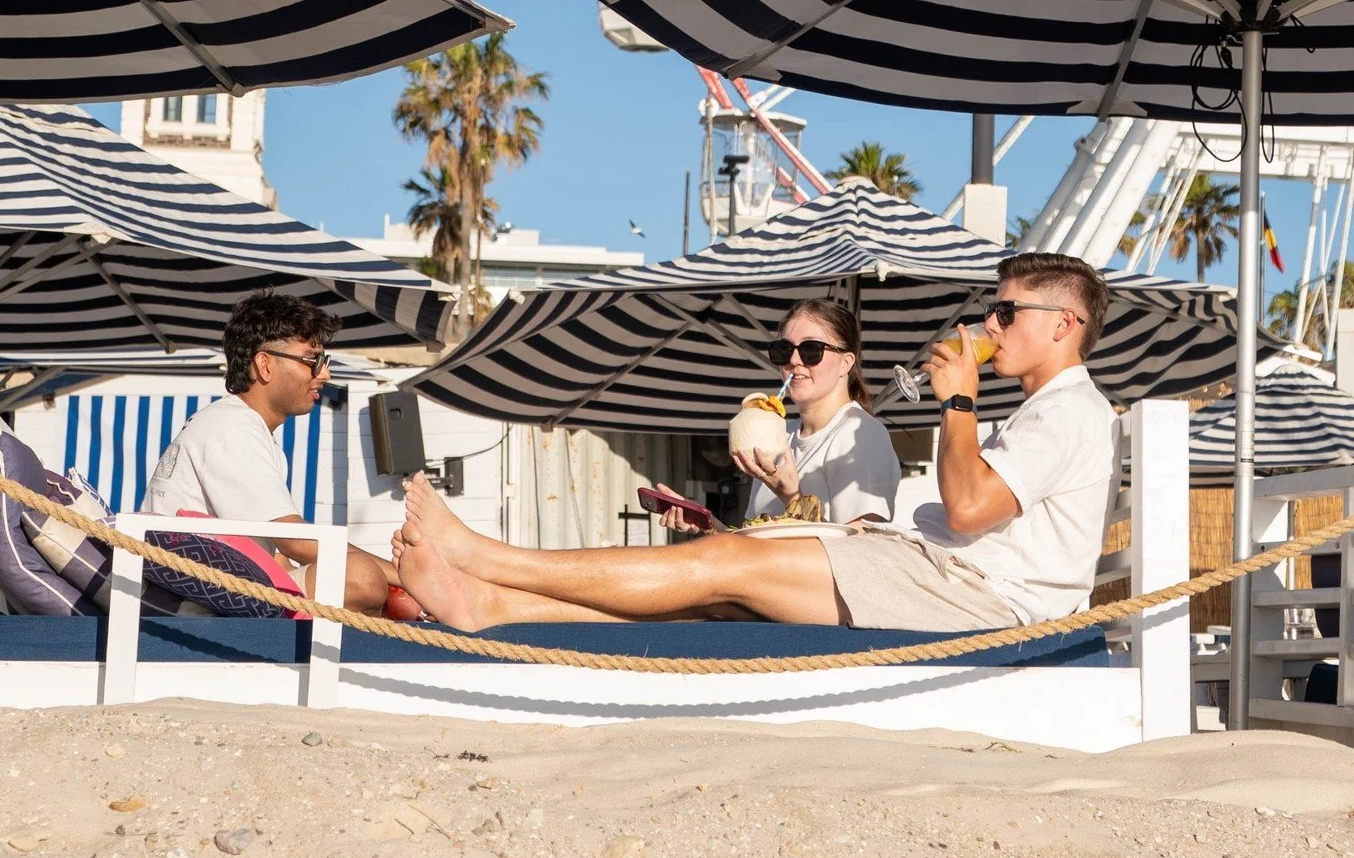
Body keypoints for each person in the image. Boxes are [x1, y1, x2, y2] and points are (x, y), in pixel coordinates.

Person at [393, 252, 1119, 635]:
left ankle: (486, 557)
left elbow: (966, 508)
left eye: (1004, 310)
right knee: (721, 592)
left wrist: (958, 397)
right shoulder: (1035, 414)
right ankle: (493, 604)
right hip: (942, 574)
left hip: (982, 603)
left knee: (722, 562)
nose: (988, 326)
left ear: (1063, 323)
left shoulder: (1067, 410)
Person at [142, 290, 403, 613]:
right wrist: (407, 577)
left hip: (211, 595)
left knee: (375, 588)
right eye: (313, 360)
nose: (325, 373)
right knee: (361, 578)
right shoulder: (231, 427)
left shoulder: (242, 428)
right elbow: (294, 542)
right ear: (264, 365)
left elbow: (274, 557)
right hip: (192, 606)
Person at [654, 298, 900, 533]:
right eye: (783, 350)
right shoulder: (780, 435)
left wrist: (791, 496)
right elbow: (757, 544)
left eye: (811, 350)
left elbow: (860, 550)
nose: (794, 360)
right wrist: (706, 525)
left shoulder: (861, 435)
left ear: (846, 363)